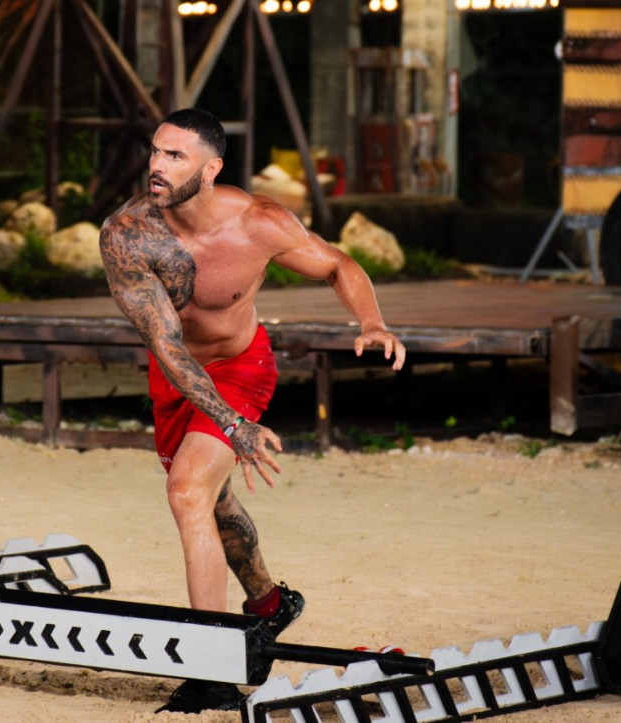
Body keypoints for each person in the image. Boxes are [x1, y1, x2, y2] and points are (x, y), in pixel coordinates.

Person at [99, 108, 406, 711]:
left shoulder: (260, 223)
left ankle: (211, 667)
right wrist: (231, 427)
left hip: (241, 367)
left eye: (175, 156)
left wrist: (371, 321)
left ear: (211, 168)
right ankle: (269, 603)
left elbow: (337, 263)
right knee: (211, 503)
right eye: (155, 151)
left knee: (187, 492)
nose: (157, 165)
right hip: (176, 375)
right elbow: (166, 344)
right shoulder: (128, 234)